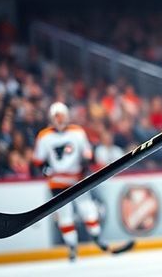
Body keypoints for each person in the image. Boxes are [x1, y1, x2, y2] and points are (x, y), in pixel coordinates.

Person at [32, 102, 104, 261]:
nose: (59, 120)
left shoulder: (77, 132)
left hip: (77, 179)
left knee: (88, 208)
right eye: (56, 117)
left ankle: (97, 237)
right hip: (57, 182)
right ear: (51, 118)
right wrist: (46, 170)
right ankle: (72, 246)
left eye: (61, 116)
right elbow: (37, 160)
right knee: (65, 215)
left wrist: (86, 164)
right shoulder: (44, 136)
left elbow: (87, 154)